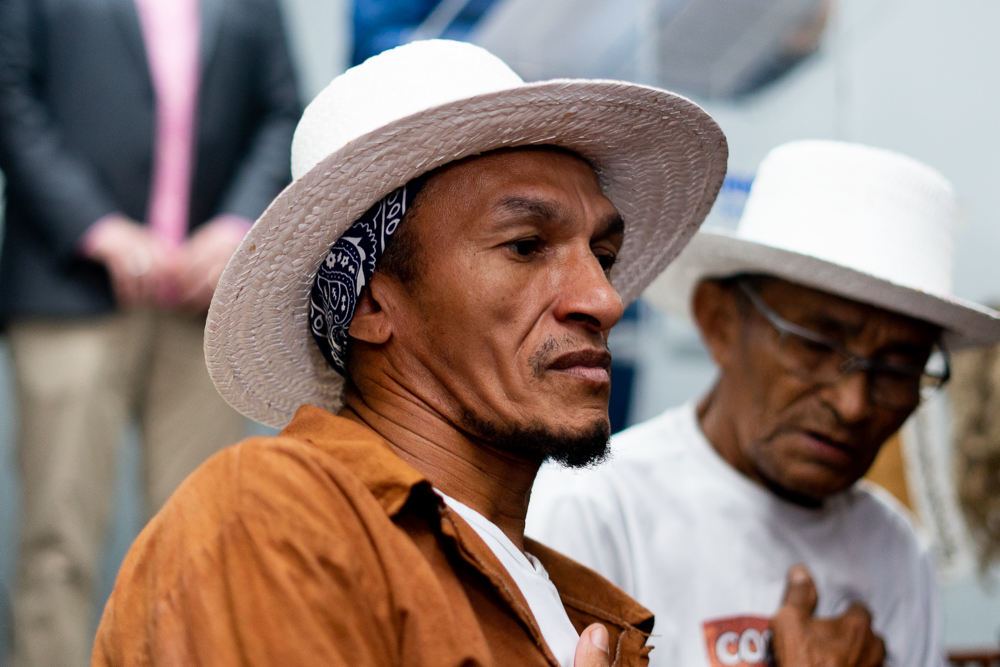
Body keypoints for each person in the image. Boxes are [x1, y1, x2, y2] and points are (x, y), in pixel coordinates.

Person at [90, 38, 731, 667]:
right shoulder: (275, 517)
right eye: (526, 245)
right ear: (369, 303)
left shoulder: (570, 606)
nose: (604, 299)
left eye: (605, 256)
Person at [527, 140, 1000, 667]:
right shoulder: (593, 512)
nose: (853, 403)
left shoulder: (895, 549)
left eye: (896, 368)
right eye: (816, 345)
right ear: (719, 322)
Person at [0, 0, 300, 664]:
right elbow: (10, 96)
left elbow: (283, 110)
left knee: (197, 543)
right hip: (68, 291)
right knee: (56, 544)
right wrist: (94, 225)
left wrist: (234, 227)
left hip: (203, 302)